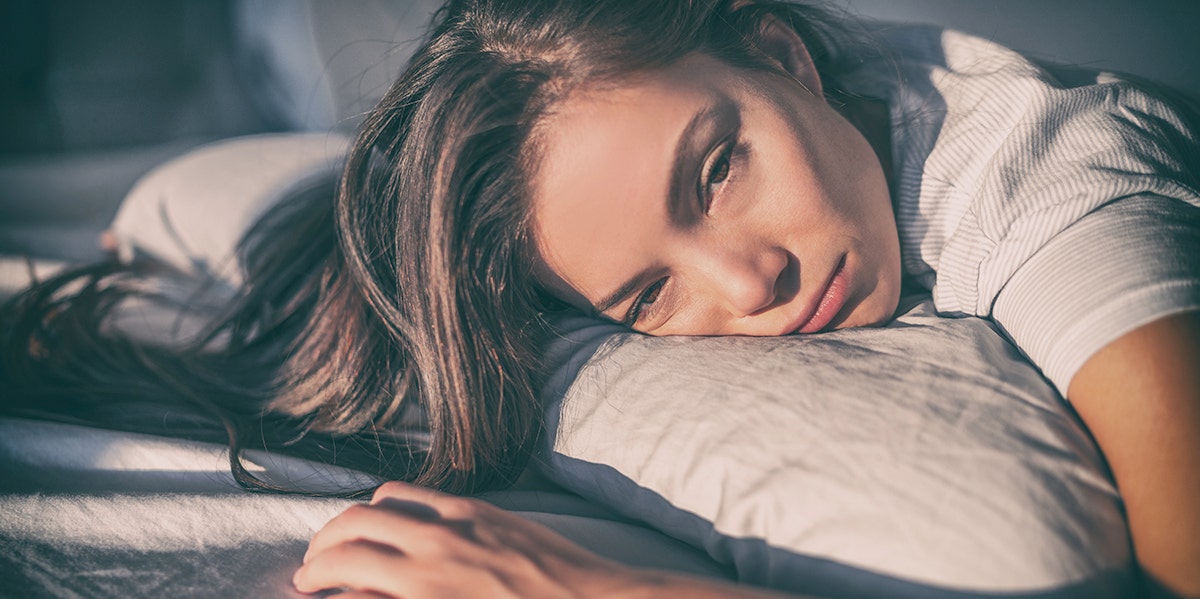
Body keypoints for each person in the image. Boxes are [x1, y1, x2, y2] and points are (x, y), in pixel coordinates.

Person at [3, 0, 1198, 597]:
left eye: (718, 168)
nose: (751, 284)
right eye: (647, 290)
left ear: (781, 55)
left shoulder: (1062, 173)